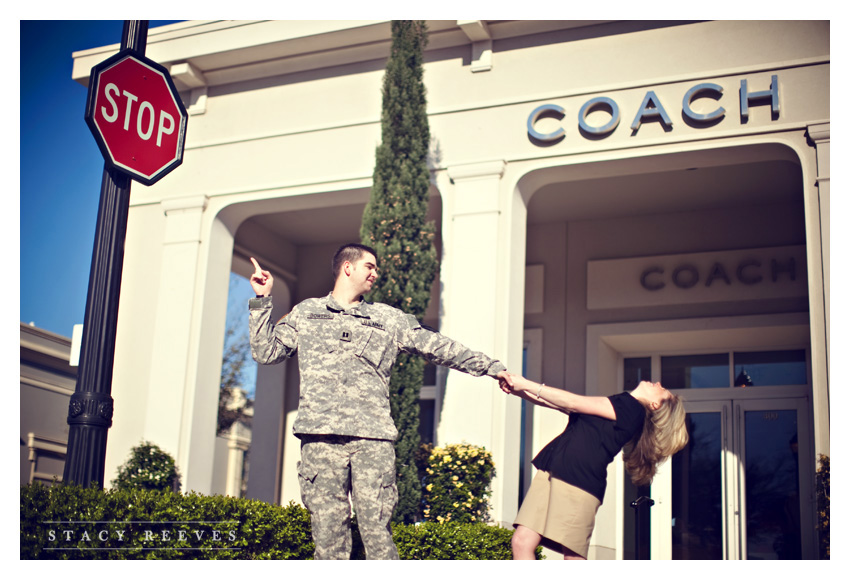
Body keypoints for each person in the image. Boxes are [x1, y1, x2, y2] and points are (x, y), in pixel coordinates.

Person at [248, 243, 512, 560]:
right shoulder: (308, 312)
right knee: (328, 538)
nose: (376, 272)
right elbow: (266, 352)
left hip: (371, 441)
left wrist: (492, 368)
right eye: (370, 266)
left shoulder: (387, 318)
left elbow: (439, 347)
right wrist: (262, 301)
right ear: (348, 267)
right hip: (319, 441)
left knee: (377, 536)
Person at [499, 375, 689, 560]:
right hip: (551, 469)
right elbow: (560, 404)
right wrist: (519, 390)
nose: (658, 383)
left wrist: (525, 384)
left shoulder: (632, 409)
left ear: (655, 405)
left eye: (661, 389)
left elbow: (572, 402)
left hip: (578, 482)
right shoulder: (622, 405)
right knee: (521, 542)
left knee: (573, 557)